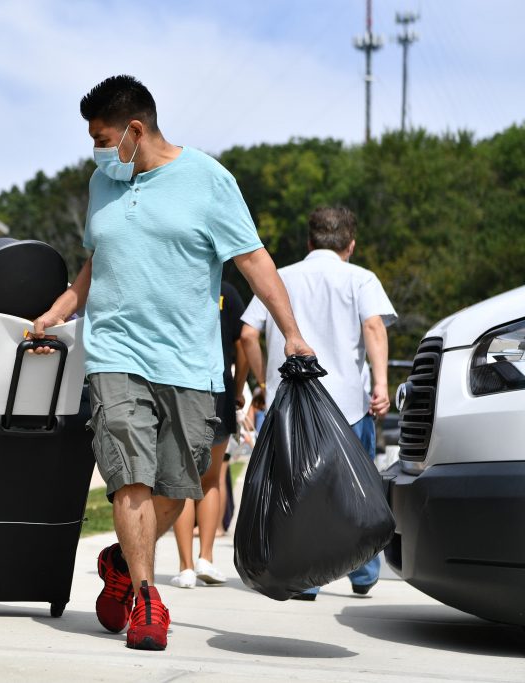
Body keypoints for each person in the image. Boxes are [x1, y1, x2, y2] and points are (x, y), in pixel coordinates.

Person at [31, 75, 314, 651]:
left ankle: (119, 558)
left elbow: (254, 260)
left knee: (178, 487)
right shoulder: (102, 184)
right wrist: (59, 310)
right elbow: (96, 262)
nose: (97, 149)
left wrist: (292, 335)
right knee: (128, 472)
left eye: (103, 137)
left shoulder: (208, 181)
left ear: (135, 130)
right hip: (113, 351)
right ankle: (146, 597)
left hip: (189, 361)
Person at [239, 205, 397, 601]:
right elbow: (374, 325)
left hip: (288, 411)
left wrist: (263, 381)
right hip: (347, 406)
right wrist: (380, 383)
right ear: (352, 245)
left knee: (299, 497)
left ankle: (304, 576)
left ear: (309, 241)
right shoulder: (361, 279)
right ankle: (362, 574)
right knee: (356, 494)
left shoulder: (281, 278)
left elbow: (245, 334)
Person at [169, 281, 247, 589]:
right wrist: (239, 388)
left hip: (181, 388)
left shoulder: (176, 283)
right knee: (211, 480)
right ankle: (206, 558)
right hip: (220, 391)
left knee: (182, 480)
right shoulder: (228, 290)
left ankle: (185, 567)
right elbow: (244, 343)